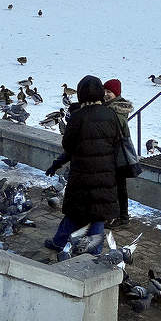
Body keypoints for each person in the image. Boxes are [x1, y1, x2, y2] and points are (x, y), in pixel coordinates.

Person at [43, 75, 121, 251]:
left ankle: (59, 242)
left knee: (75, 213)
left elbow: (68, 145)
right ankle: (95, 252)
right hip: (106, 176)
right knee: (98, 215)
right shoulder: (111, 115)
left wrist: (57, 163)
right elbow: (117, 142)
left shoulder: (78, 117)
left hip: (82, 175)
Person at [103, 78, 134, 225]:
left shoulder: (116, 109)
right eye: (104, 91)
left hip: (117, 153)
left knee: (118, 186)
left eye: (109, 91)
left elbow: (120, 127)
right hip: (113, 152)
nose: (106, 94)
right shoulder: (111, 107)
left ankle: (121, 217)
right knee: (118, 185)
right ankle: (121, 216)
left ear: (116, 93)